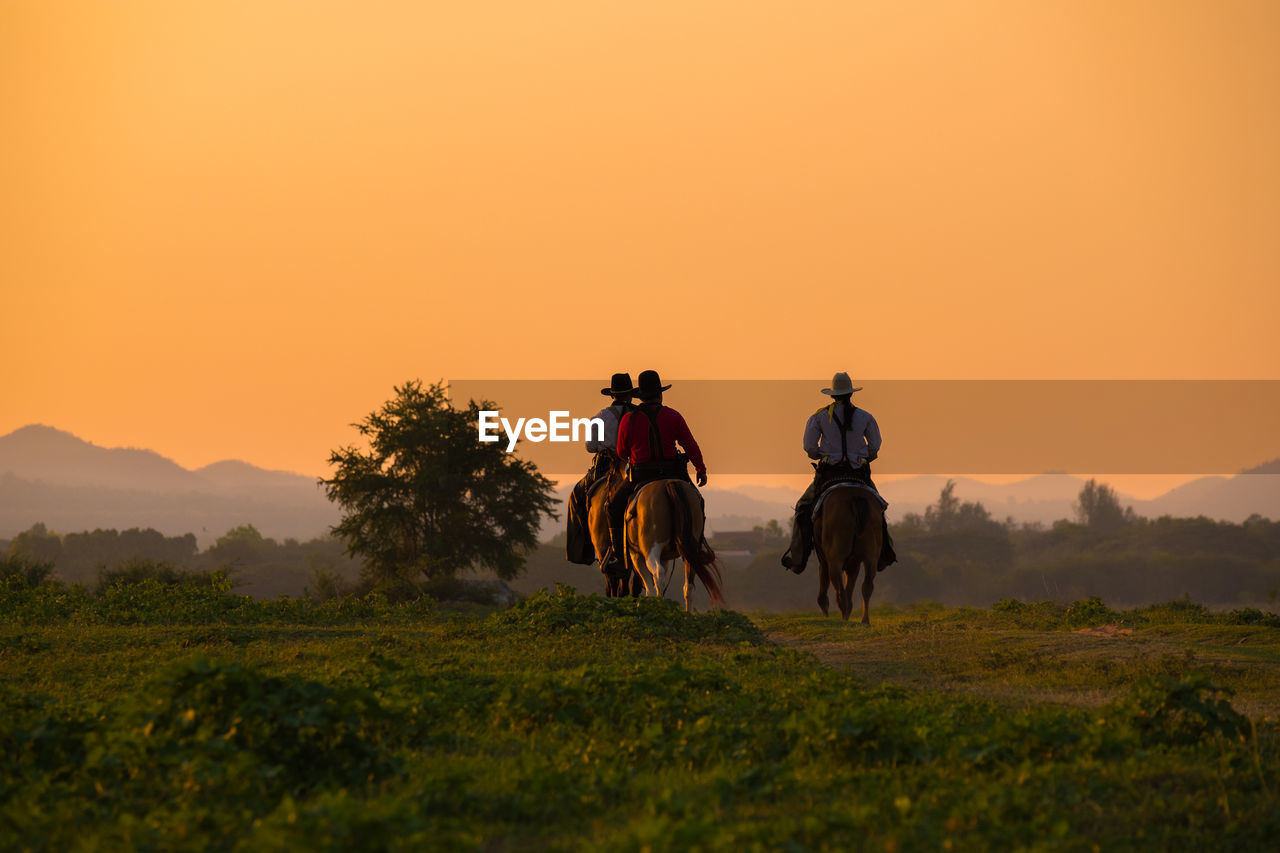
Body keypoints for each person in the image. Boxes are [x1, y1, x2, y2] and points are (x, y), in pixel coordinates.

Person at [781, 371, 896, 574]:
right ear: (851, 394)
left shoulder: (818, 417)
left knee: (803, 507)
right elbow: (875, 445)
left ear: (832, 395)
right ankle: (883, 554)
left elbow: (809, 447)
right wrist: (864, 457)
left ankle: (798, 558)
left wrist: (821, 454)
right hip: (858, 473)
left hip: (830, 473)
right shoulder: (866, 417)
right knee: (879, 506)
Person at [598, 370, 708, 568]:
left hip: (641, 474)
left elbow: (623, 453)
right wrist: (701, 468)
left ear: (640, 395)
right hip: (673, 471)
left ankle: (617, 555)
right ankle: (700, 545)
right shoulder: (673, 415)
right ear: (660, 393)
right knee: (697, 500)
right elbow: (690, 445)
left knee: (613, 507)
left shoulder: (629, 420)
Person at [566, 373, 636, 566]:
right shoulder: (639, 414)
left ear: (612, 395)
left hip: (606, 466)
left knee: (577, 495)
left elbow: (590, 447)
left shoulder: (600, 417)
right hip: (635, 464)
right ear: (630, 395)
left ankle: (585, 550)